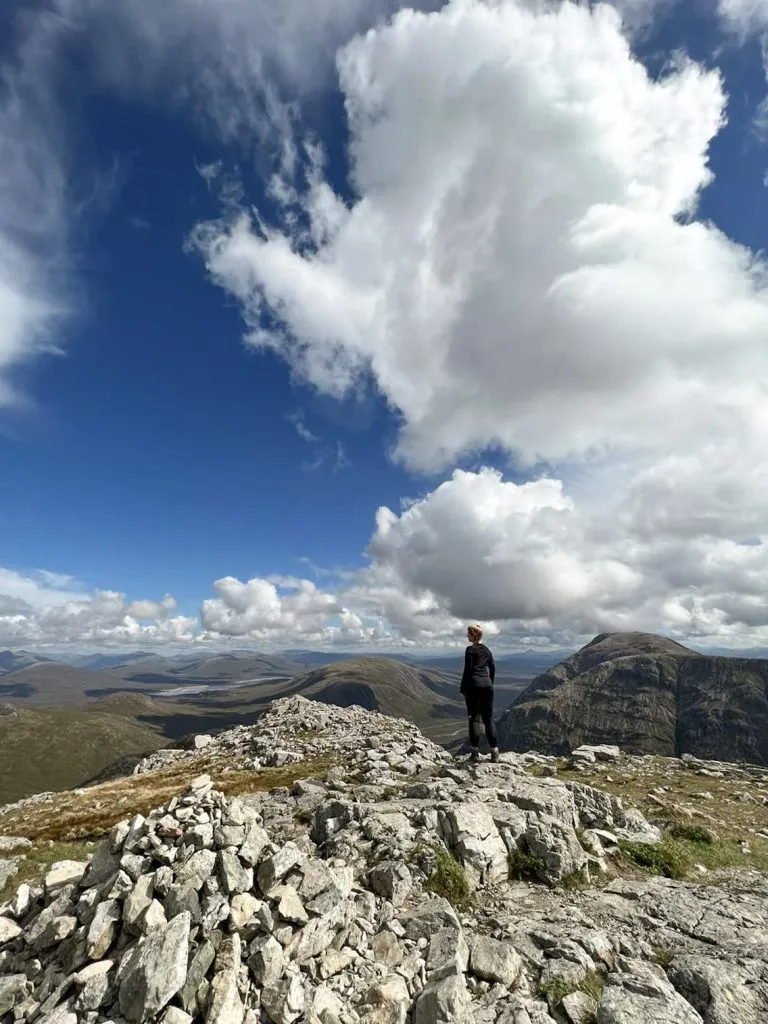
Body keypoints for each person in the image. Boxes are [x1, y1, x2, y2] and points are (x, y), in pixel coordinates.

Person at [460, 623, 499, 763]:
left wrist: (463, 688)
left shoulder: (470, 650)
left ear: (474, 635)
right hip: (487, 686)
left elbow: (468, 670)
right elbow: (493, 668)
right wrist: (490, 683)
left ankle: (475, 754)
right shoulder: (487, 650)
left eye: (468, 634)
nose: (467, 636)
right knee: (488, 719)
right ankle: (494, 753)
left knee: (475, 719)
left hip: (474, 686)